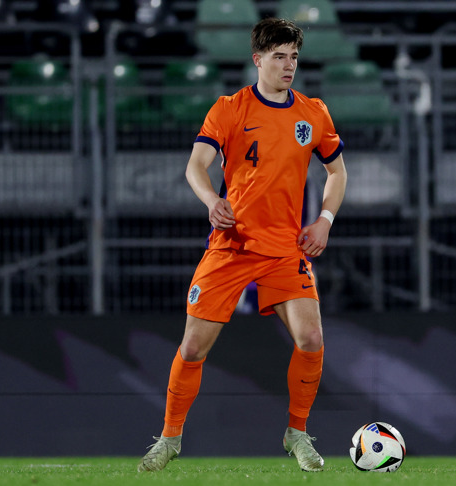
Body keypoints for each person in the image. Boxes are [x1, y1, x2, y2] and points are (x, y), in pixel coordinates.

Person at [138, 17, 347, 473]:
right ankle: (169, 438)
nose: (288, 65)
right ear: (258, 59)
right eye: (279, 57)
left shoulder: (313, 113)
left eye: (294, 57)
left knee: (312, 338)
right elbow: (196, 165)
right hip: (231, 247)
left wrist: (324, 221)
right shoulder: (230, 109)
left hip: (285, 248)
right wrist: (212, 200)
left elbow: (337, 171)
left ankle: (297, 433)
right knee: (193, 348)